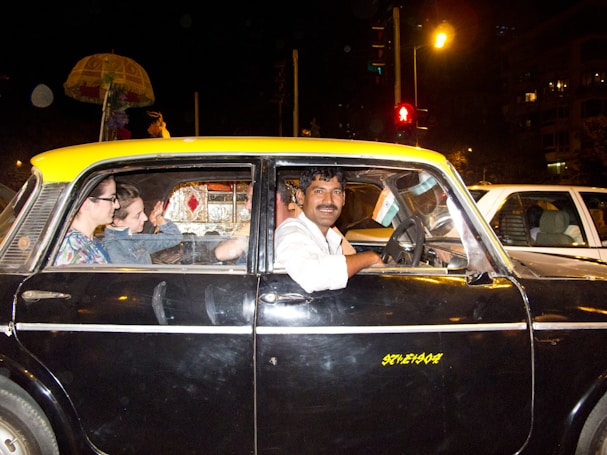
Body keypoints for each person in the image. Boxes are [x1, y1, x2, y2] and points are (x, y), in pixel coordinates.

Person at [275, 167, 383, 293]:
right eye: (319, 191)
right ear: (300, 197)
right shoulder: (291, 231)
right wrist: (370, 258)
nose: (329, 200)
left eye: (336, 192)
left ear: (343, 198)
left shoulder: (328, 236)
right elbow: (313, 276)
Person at [102, 182, 182, 264]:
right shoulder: (114, 249)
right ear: (118, 222)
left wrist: (159, 218)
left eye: (143, 211)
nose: (145, 218)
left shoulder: (136, 239)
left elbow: (174, 237)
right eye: (137, 215)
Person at [54, 176, 118, 265]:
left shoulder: (87, 241)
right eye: (112, 199)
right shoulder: (73, 249)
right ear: (86, 203)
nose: (117, 205)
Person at [214, 182, 253, 262]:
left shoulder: (261, 226)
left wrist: (244, 242)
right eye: (247, 199)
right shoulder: (254, 225)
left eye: (251, 199)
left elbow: (220, 254)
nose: (247, 206)